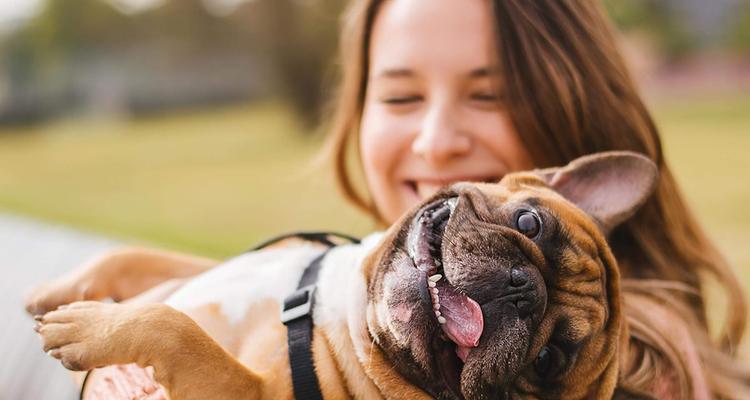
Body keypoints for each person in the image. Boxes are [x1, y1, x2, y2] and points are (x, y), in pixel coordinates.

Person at [27, 0, 748, 398]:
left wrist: (155, 343)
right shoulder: (378, 286)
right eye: (401, 94)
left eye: (487, 95)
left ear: (573, 118)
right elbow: (267, 297)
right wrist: (134, 275)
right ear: (355, 111)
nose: (436, 142)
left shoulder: (639, 365)